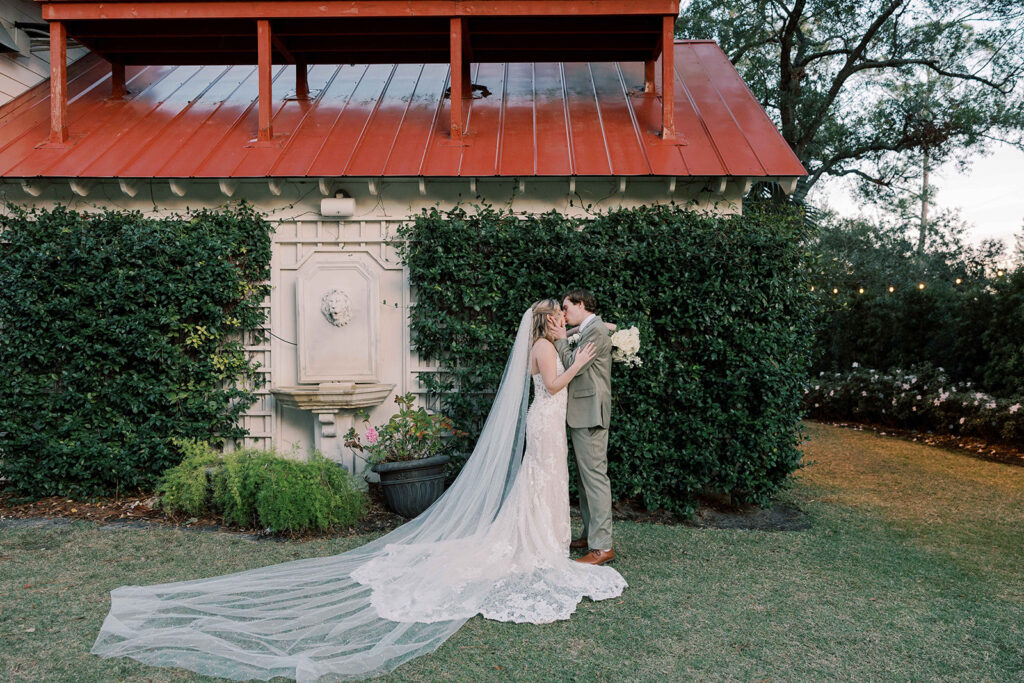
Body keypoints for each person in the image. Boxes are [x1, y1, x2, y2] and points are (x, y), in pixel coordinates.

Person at [91, 300, 626, 682]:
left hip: (548, 424)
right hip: (547, 420)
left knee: (543, 483)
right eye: (557, 315)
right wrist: (579, 361)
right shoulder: (546, 348)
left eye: (563, 315)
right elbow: (554, 385)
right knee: (543, 483)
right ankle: (538, 544)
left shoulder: (545, 342)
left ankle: (544, 540)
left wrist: (575, 354)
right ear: (544, 322)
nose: (562, 318)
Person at [553, 289, 616, 565]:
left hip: (590, 413)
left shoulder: (596, 332)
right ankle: (591, 534)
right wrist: (569, 333)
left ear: (581, 305)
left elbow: (572, 364)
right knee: (585, 478)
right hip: (583, 411)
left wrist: (558, 340)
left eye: (567, 308)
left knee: (595, 478)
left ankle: (602, 547)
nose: (564, 314)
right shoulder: (590, 328)